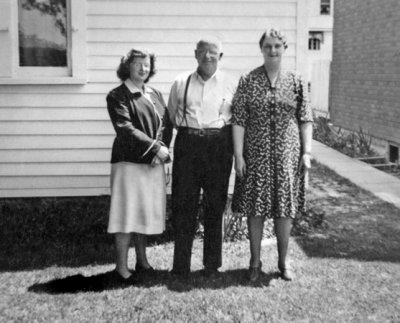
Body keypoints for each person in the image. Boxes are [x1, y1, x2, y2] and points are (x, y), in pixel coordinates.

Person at [231, 28, 313, 282]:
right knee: (255, 209)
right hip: (255, 154)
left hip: (287, 154)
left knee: (284, 210)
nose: (273, 50)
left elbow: (305, 118)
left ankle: (283, 261)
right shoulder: (249, 80)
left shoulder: (295, 80)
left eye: (277, 45)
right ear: (262, 49)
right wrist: (238, 154)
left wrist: (306, 152)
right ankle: (254, 262)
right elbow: (239, 119)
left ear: (284, 48)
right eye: (268, 46)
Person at [168, 36, 237, 278]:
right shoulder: (181, 81)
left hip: (219, 146)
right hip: (188, 144)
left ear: (221, 56)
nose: (208, 55)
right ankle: (181, 266)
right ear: (195, 54)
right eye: (203, 51)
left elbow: (237, 120)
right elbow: (172, 116)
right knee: (184, 204)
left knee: (214, 205)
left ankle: (211, 265)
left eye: (213, 51)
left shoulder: (231, 82)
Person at [106, 48, 173, 283]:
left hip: (152, 163)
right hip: (128, 164)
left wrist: (161, 151)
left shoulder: (154, 93)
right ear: (127, 66)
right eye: (137, 64)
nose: (143, 68)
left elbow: (166, 123)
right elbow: (125, 129)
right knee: (126, 214)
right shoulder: (117, 95)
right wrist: (155, 149)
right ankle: (121, 267)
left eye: (146, 64)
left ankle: (142, 261)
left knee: (143, 212)